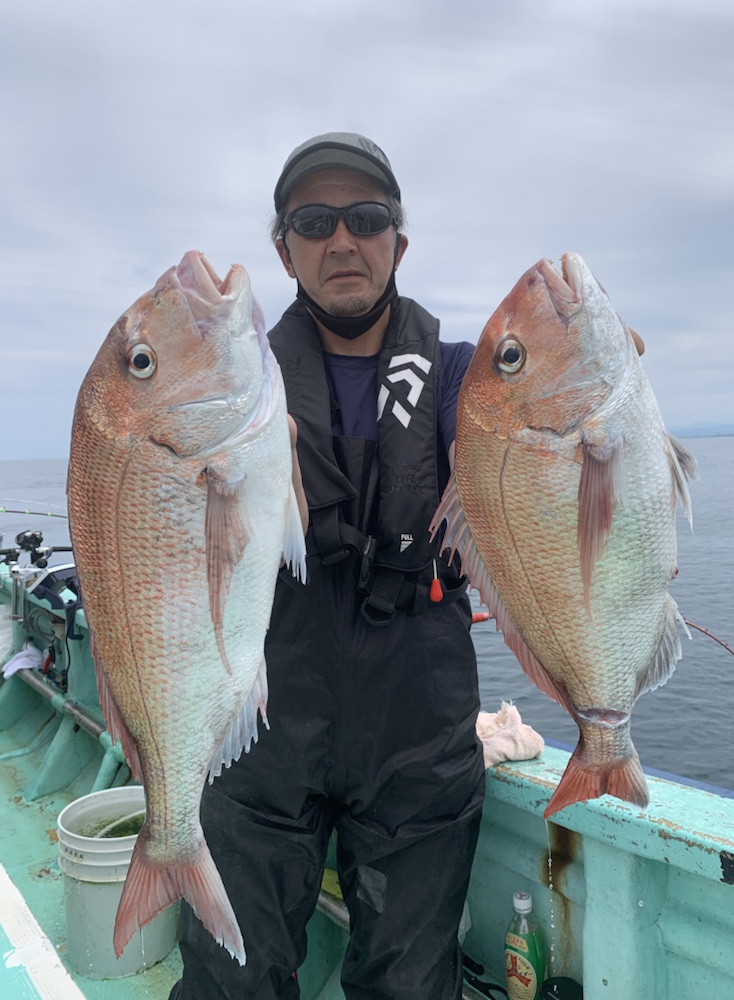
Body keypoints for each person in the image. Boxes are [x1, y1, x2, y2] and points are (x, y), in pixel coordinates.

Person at [169, 132, 485, 999]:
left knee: (410, 984)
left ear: (398, 243)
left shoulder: (458, 377)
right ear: (285, 250)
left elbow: (530, 456)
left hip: (419, 733)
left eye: (366, 218)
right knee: (230, 981)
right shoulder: (234, 385)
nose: (342, 239)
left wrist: (594, 397)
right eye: (314, 222)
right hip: (263, 726)